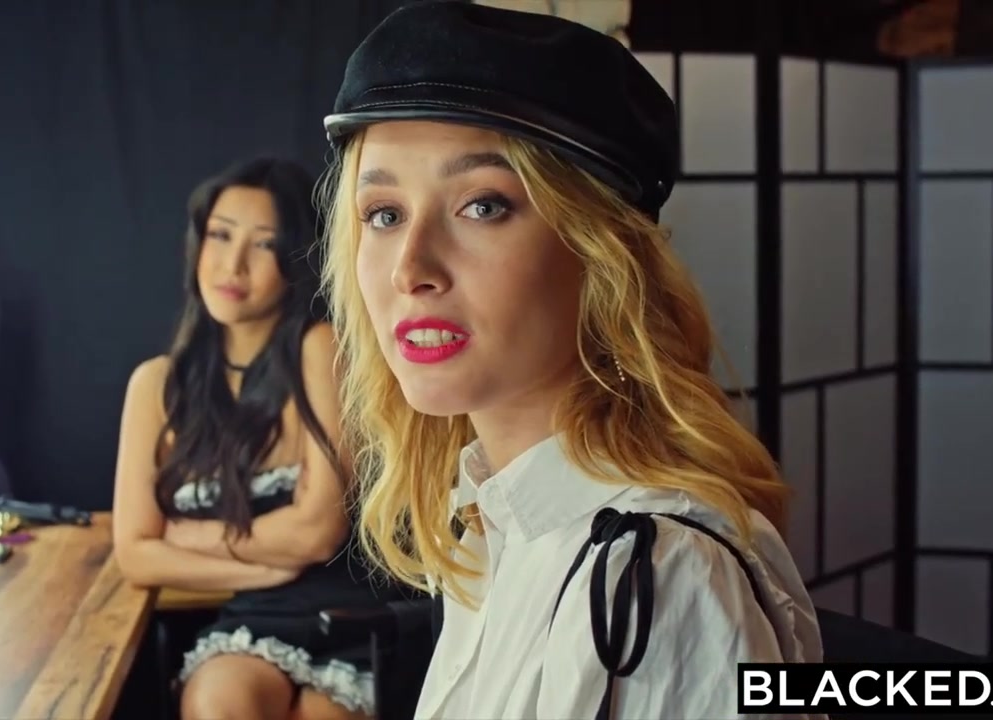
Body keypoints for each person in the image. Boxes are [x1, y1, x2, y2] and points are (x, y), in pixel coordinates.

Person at [316, 3, 824, 720]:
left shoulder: (654, 574)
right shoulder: (489, 527)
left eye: (482, 206)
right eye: (384, 214)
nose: (411, 269)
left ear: (601, 254)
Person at [112, 157, 392, 720]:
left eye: (263, 244)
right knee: (219, 704)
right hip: (250, 615)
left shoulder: (319, 346)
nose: (232, 264)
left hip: (351, 612)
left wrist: (190, 537)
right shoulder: (155, 385)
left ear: (296, 256)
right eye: (220, 235)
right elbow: (137, 554)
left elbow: (317, 533)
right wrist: (263, 568)